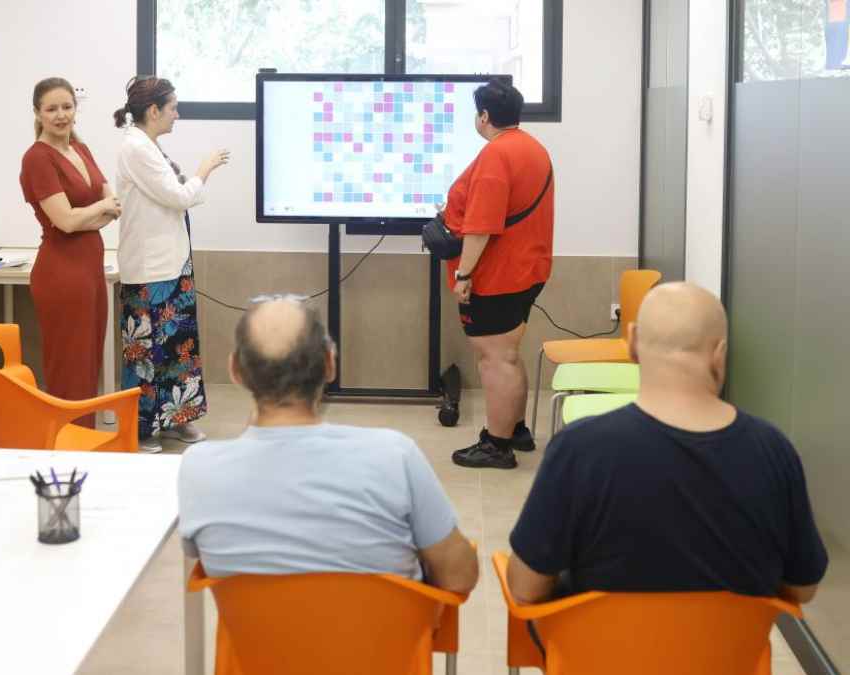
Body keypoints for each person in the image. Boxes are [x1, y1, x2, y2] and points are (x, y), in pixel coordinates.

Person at [507, 283, 828, 605]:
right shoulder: (773, 451)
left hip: (602, 654)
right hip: (727, 656)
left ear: (632, 344)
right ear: (720, 354)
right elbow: (802, 588)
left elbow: (525, 587)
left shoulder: (579, 448)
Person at [178, 297, 478, 594]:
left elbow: (200, 553)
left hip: (260, 643)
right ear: (329, 364)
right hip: (382, 642)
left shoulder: (199, 470)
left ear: (235, 371)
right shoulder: (394, 456)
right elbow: (459, 577)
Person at [442, 78, 555, 470]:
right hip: (527, 267)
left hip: (499, 273)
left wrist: (464, 274)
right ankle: (515, 429)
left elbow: (481, 225)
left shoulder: (496, 155)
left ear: (484, 116)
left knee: (494, 358)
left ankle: (497, 444)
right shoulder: (531, 148)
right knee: (507, 354)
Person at [113, 76, 228, 452]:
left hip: (171, 265)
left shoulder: (150, 146)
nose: (177, 115)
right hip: (149, 269)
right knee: (146, 354)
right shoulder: (136, 149)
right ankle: (143, 429)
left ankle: (177, 421)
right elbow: (178, 196)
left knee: (178, 349)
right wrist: (205, 169)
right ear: (153, 111)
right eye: (173, 107)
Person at [20, 77, 121, 427]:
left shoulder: (81, 149)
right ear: (38, 113)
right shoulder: (37, 159)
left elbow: (111, 205)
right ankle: (66, 452)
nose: (61, 115)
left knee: (88, 366)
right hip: (62, 274)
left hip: (90, 268)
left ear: (76, 110)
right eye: (51, 109)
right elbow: (64, 222)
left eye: (67, 107)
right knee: (70, 372)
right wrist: (93, 212)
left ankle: (84, 447)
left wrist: (86, 217)